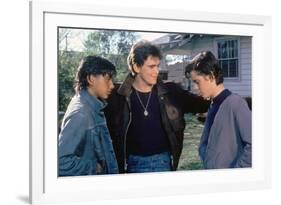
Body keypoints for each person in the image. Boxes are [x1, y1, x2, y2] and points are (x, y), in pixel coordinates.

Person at [104, 41, 210, 173]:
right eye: (151, 66)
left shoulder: (171, 92)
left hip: (163, 163)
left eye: (158, 66)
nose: (157, 71)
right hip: (129, 165)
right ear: (136, 67)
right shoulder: (116, 96)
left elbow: (205, 104)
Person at [188, 51, 252, 169]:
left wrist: (236, 172)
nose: (194, 87)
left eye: (197, 82)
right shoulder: (213, 104)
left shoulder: (236, 103)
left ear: (211, 76)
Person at [58, 56, 119, 176]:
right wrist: (95, 168)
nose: (112, 85)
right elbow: (61, 162)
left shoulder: (91, 105)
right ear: (91, 79)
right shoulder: (81, 113)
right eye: (108, 79)